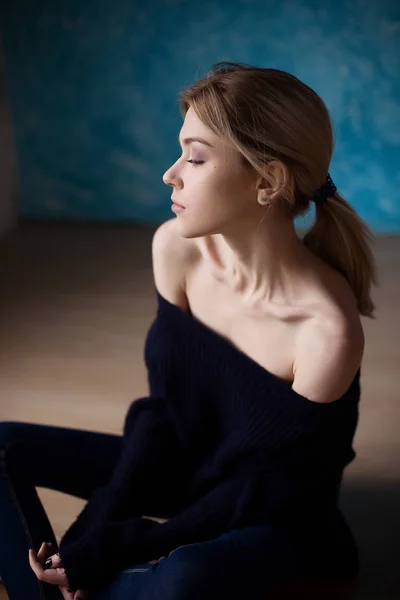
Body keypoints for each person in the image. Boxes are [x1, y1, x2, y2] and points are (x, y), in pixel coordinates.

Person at [0, 62, 376, 600]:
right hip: (188, 470)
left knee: (186, 579)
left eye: (195, 158)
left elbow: (262, 488)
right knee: (3, 445)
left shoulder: (323, 332)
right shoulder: (176, 248)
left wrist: (128, 544)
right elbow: (162, 413)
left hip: (272, 512)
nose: (170, 173)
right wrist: (95, 529)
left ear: (267, 181)